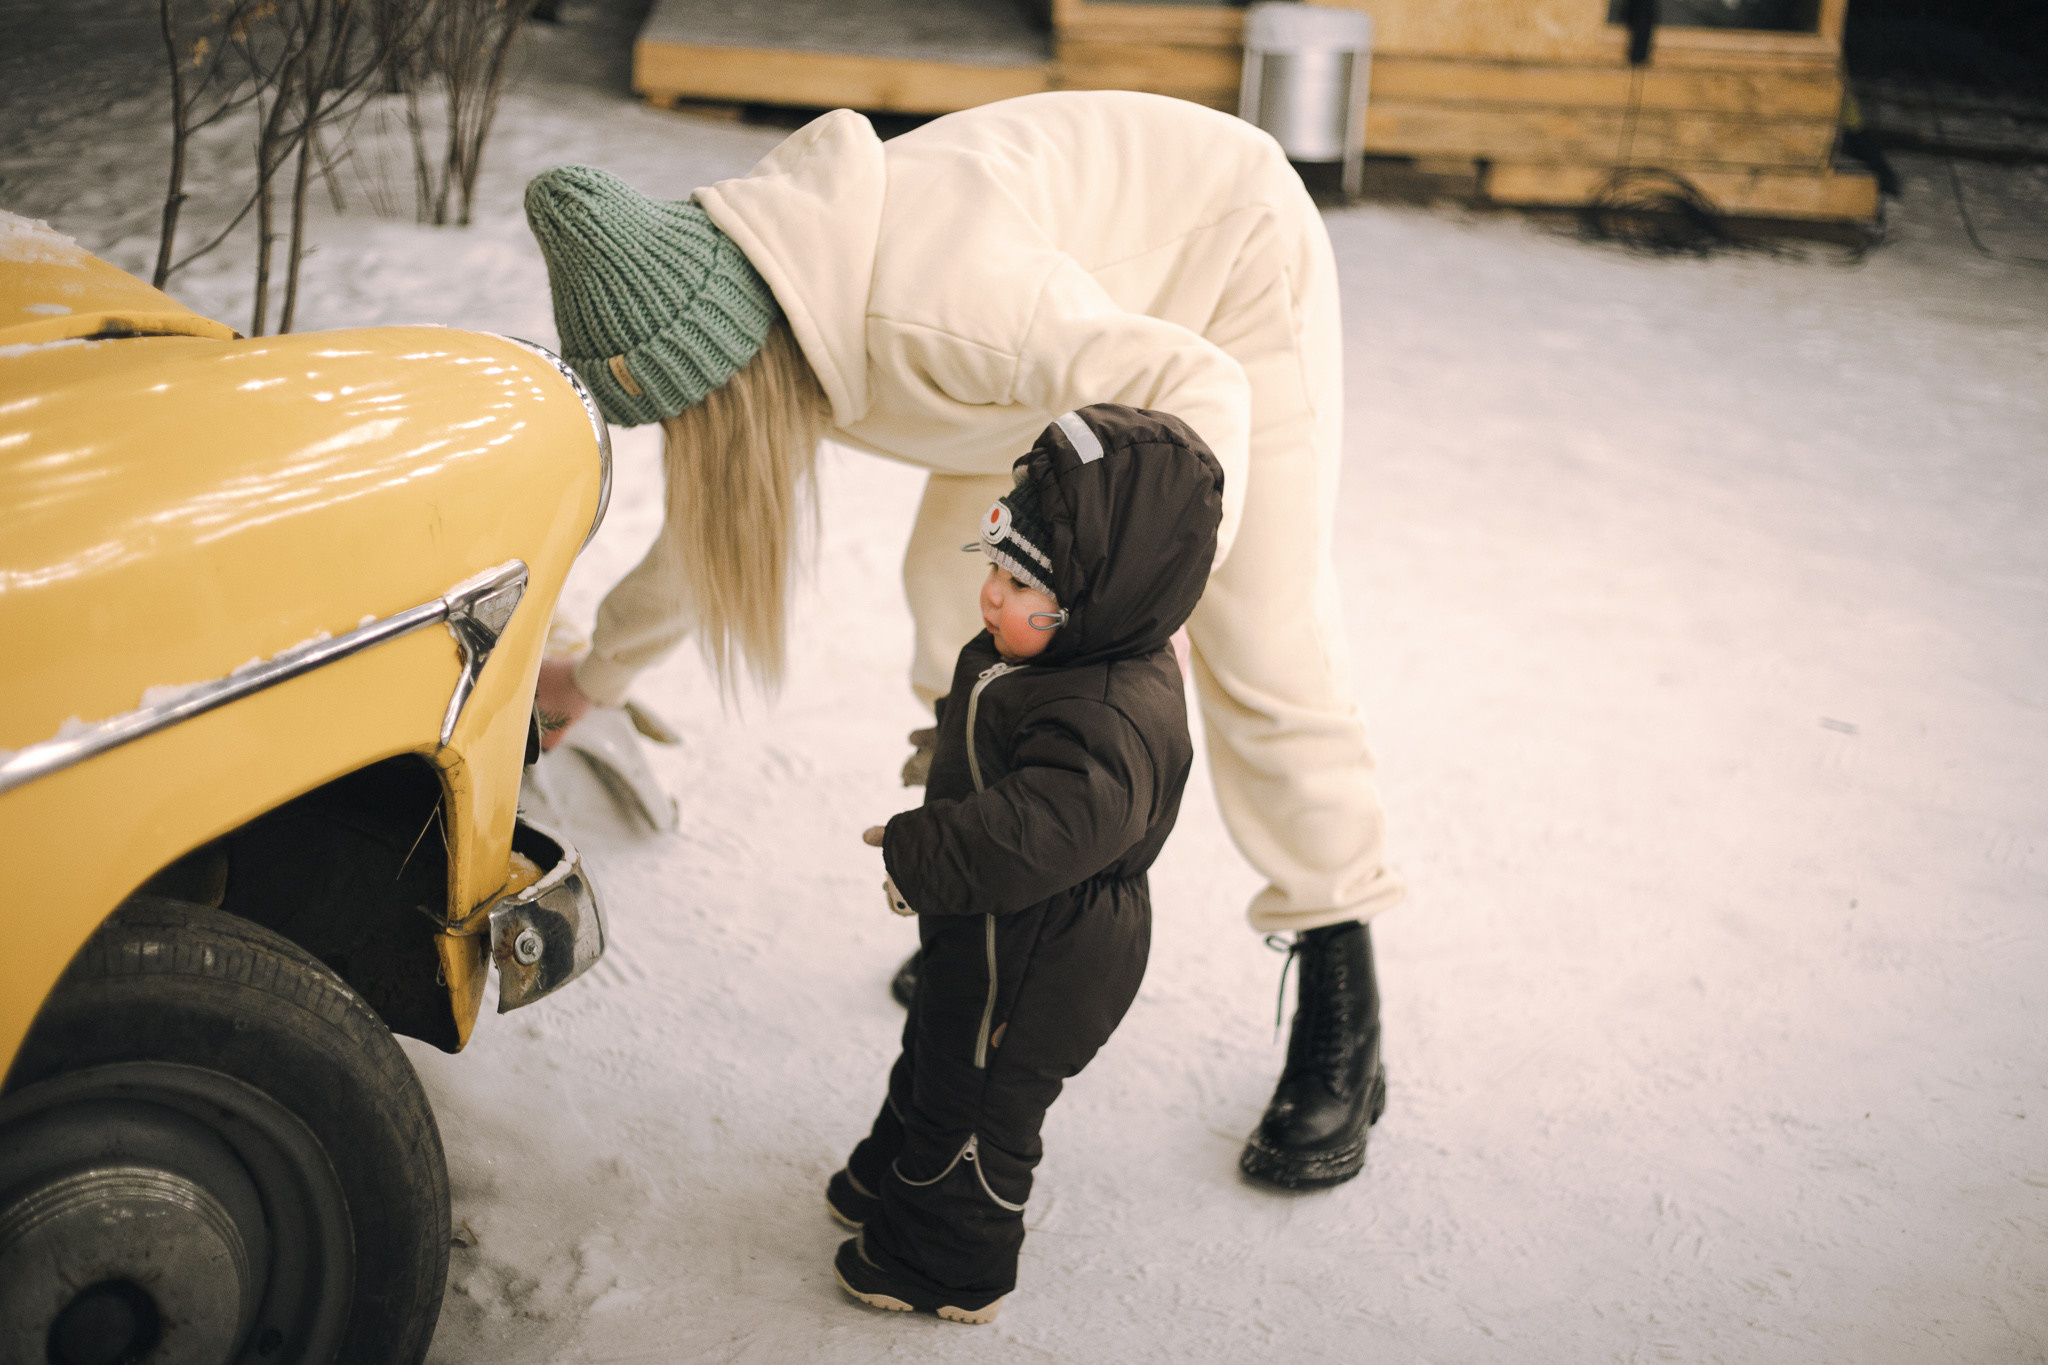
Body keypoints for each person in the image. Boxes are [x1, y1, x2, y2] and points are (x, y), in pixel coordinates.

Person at [524, 89, 1397, 1189]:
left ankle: (1340, 981)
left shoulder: (937, 302)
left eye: (696, 419)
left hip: (1223, 272)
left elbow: (1194, 383)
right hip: (1054, 348)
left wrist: (1147, 607)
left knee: (1262, 634)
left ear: (731, 362)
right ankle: (995, 922)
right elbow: (720, 524)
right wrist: (591, 678)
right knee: (956, 605)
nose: (698, 442)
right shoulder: (765, 302)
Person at [829, 404, 1220, 1322]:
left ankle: (943, 1262)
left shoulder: (1110, 711)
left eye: (1020, 581)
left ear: (1099, 600)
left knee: (976, 1109)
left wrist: (925, 850)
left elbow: (1042, 829)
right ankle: (889, 1173)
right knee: (938, 1051)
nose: (991, 596)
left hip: (1045, 954)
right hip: (994, 932)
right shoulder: (1059, 657)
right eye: (994, 566)